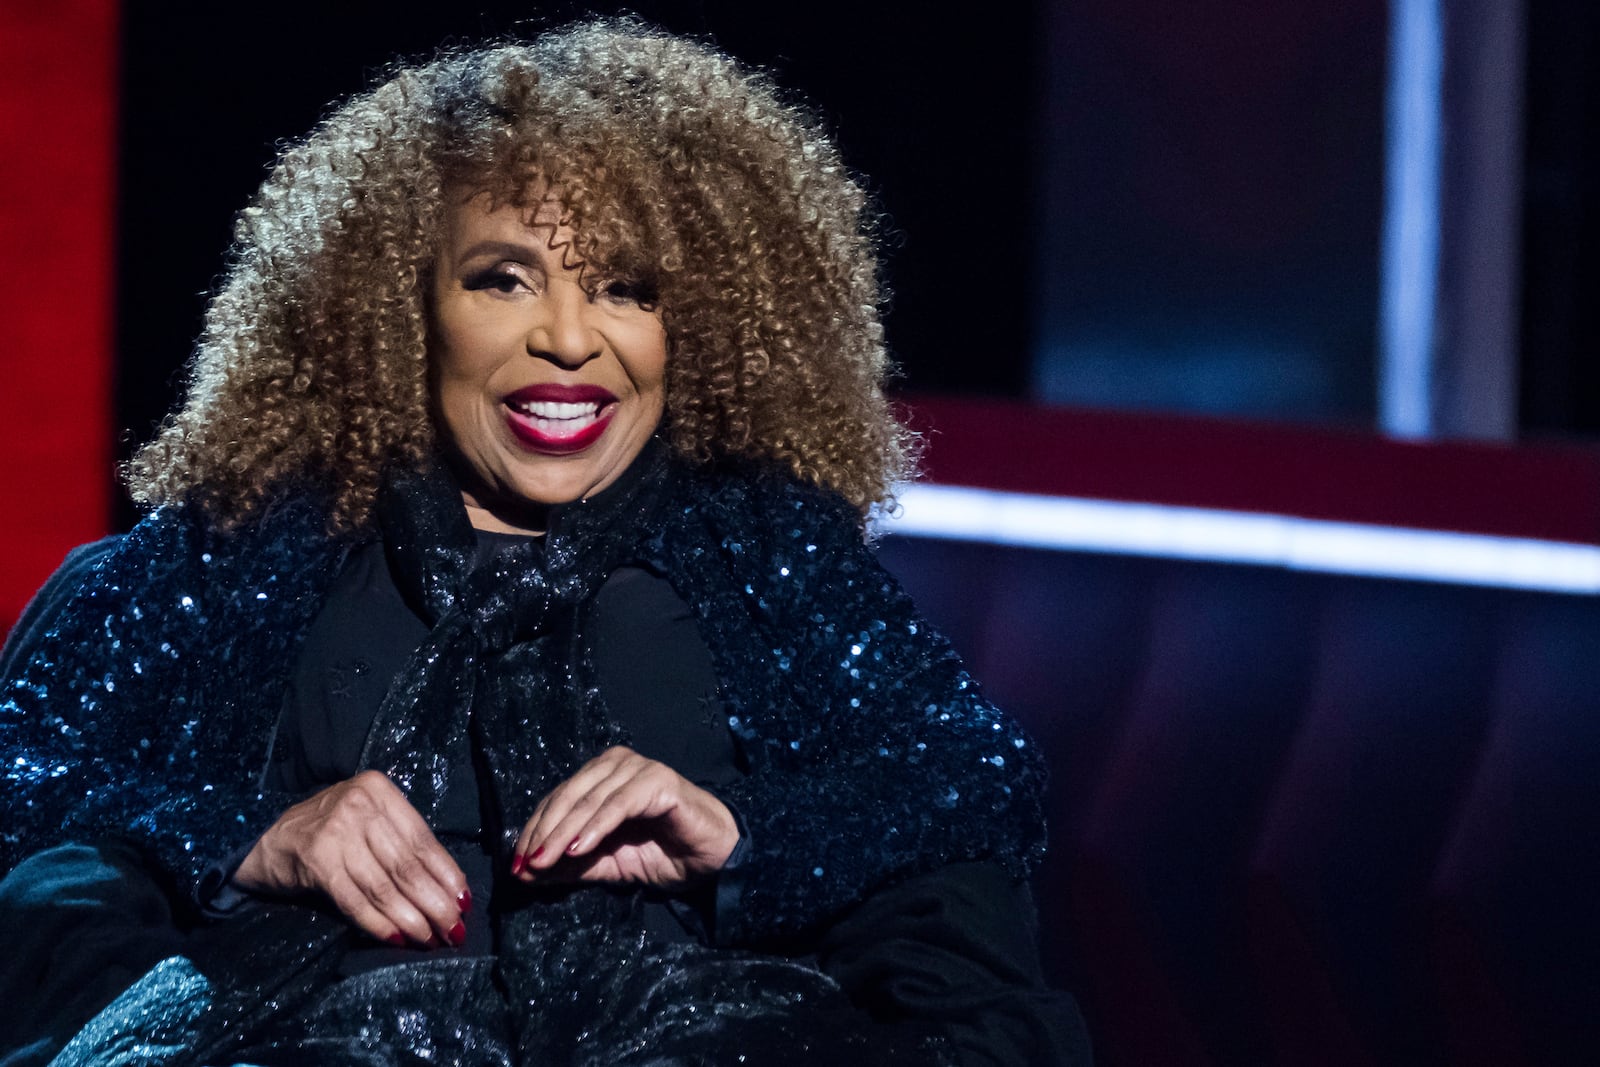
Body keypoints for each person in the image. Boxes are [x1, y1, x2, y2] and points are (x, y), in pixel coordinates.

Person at [0, 19, 1089, 1066]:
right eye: (503, 277)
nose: (568, 339)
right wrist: (249, 835)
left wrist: (743, 833)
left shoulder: (767, 555)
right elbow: (25, 778)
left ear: (696, 324)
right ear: (401, 303)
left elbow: (972, 788)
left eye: (626, 288)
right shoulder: (246, 547)